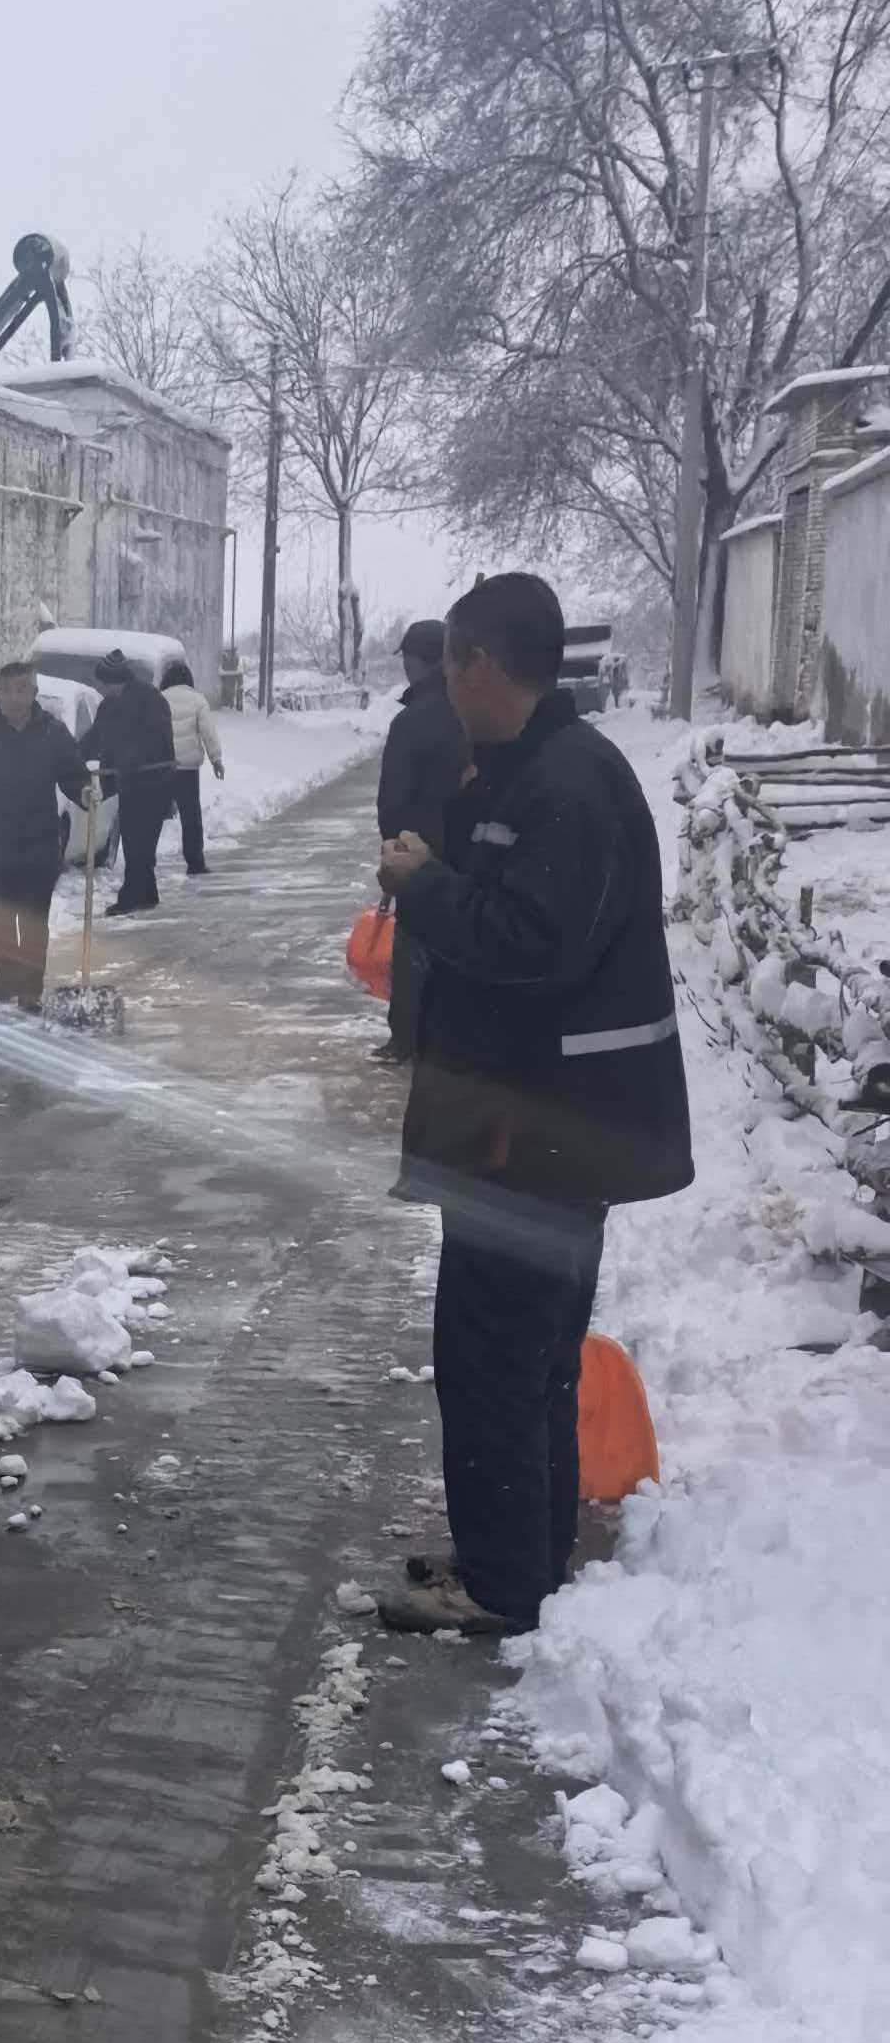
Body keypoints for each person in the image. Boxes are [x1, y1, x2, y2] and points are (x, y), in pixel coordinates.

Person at [372, 569, 692, 1640]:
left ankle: (503, 1584)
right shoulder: (538, 771)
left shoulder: (570, 786)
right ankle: (520, 1556)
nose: (442, 691)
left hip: (541, 1133)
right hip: (539, 1128)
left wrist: (425, 883)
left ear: (478, 662)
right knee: (529, 1357)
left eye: (450, 669)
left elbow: (532, 946)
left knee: (495, 1358)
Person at [0, 663, 89, 1010]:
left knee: (34, 922)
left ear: (34, 693)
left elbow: (73, 773)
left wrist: (85, 792)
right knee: (2, 920)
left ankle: (30, 989)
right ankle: (6, 980)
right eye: (7, 690)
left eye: (22, 689)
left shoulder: (53, 733)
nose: (14, 697)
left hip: (39, 842)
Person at [369, 616, 468, 1065]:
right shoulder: (472, 710)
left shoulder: (411, 723)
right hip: (470, 850)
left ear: (419, 663)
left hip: (420, 851)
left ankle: (406, 1039)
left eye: (407, 660)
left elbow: (393, 800)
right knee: (464, 940)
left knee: (414, 946)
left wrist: (393, 854)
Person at [86, 649, 180, 912]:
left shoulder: (150, 699)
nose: (99, 688)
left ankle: (131, 896)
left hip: (154, 782)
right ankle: (147, 893)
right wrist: (71, 757)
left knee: (141, 841)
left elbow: (157, 738)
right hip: (129, 783)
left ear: (113, 680)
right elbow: (96, 738)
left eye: (101, 683)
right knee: (133, 841)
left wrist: (130, 760)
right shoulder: (108, 706)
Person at [161, 658, 224, 878]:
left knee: (155, 816)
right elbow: (208, 732)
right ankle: (195, 863)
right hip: (187, 769)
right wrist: (216, 760)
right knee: (191, 817)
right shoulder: (198, 700)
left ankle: (146, 860)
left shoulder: (159, 699)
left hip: (162, 767)